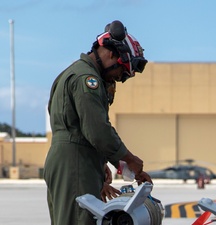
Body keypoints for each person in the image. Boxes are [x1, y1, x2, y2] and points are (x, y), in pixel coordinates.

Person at [44, 20, 152, 225]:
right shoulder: (87, 79)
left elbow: (77, 124)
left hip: (76, 160)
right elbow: (97, 130)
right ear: (111, 54)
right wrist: (129, 159)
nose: (119, 78)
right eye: (121, 71)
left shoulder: (72, 72)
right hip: (76, 162)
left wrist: (100, 161)